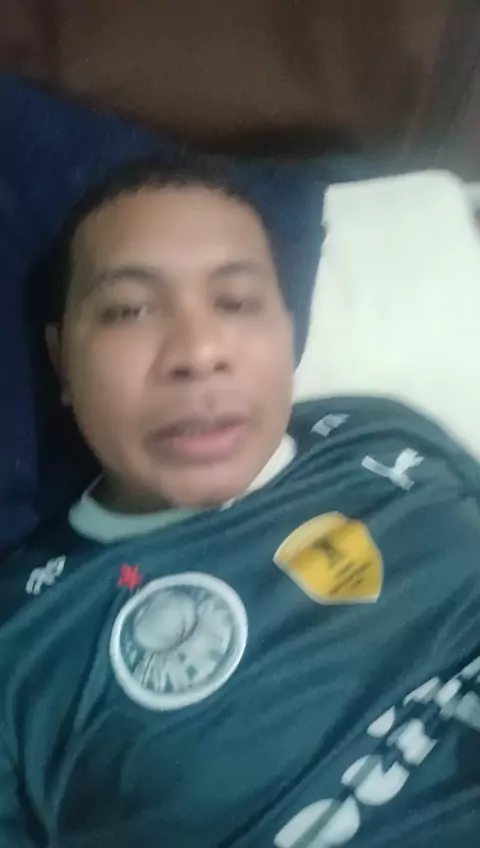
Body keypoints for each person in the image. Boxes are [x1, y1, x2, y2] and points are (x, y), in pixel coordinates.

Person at [0, 155, 479, 848]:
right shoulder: (22, 638)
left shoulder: (381, 429)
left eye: (236, 302)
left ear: (288, 329)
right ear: (61, 363)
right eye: (129, 310)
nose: (198, 351)